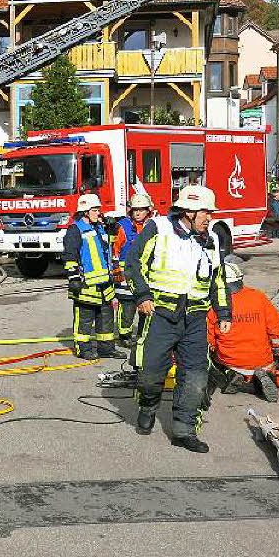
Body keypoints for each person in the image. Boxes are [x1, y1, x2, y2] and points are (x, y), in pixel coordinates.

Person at [128, 185, 230, 452]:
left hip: (195, 319)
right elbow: (133, 262)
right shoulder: (158, 229)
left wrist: (223, 312)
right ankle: (148, 405)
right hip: (160, 315)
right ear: (188, 212)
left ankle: (184, 431)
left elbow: (218, 280)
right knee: (150, 374)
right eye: (205, 213)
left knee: (196, 377)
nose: (209, 218)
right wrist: (142, 295)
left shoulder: (212, 239)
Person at [207, 263, 279, 403]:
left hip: (231, 360)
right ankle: (261, 377)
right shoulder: (259, 297)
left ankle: (231, 375)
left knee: (212, 359)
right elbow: (276, 328)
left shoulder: (215, 305)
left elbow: (208, 340)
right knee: (261, 365)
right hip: (263, 360)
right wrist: (276, 352)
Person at [63, 193, 123, 361]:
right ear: (85, 212)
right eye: (95, 210)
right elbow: (70, 256)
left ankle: (106, 348)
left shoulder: (100, 228)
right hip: (86, 285)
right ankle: (83, 349)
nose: (99, 213)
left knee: (106, 319)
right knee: (84, 320)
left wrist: (113, 229)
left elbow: (109, 248)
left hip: (105, 285)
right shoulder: (75, 230)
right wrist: (73, 278)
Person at [112, 193, 154, 348]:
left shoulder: (152, 226)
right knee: (127, 308)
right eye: (135, 210)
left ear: (147, 211)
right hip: (125, 276)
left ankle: (143, 335)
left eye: (141, 210)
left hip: (146, 275)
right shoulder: (123, 227)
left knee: (146, 306)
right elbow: (114, 251)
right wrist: (116, 271)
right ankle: (125, 336)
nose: (138, 213)